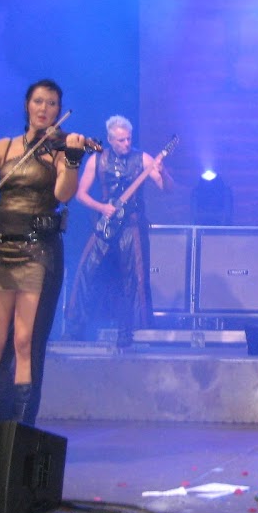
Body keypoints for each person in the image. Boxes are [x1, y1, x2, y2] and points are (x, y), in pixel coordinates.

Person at [0, 79, 90, 424]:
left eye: (52, 103)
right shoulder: (5, 147)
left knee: (25, 341)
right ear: (27, 105)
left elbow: (64, 194)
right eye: (39, 101)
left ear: (59, 110)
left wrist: (73, 159)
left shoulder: (59, 151)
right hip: (0, 251)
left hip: (38, 252)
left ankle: (20, 428)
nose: (45, 108)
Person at [65, 115, 167, 348]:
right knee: (86, 270)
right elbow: (80, 195)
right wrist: (102, 208)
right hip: (105, 223)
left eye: (129, 139)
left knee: (133, 278)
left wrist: (163, 172)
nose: (126, 143)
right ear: (110, 140)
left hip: (132, 225)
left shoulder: (142, 159)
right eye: (121, 140)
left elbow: (165, 188)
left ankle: (129, 330)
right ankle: (75, 328)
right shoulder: (96, 160)